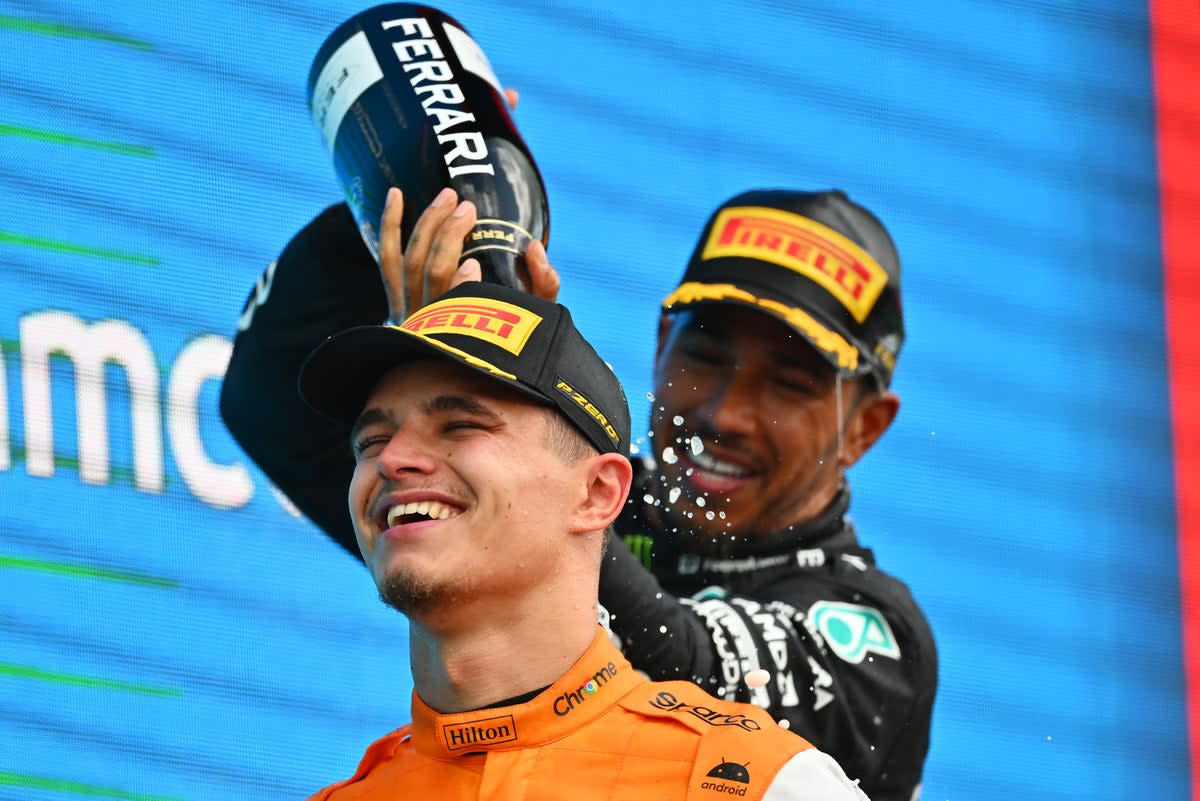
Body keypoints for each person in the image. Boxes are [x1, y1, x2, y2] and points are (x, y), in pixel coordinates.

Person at [221, 189, 937, 800]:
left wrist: (526, 409)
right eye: (705, 356)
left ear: (863, 428)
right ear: (661, 344)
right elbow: (269, 405)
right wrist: (413, 196)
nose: (724, 412)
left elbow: (679, 674)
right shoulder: (563, 493)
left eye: (788, 383)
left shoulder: (875, 636)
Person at [292, 280, 870, 799]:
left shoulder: (756, 783)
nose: (392, 460)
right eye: (371, 440)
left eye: (461, 425)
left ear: (596, 494)